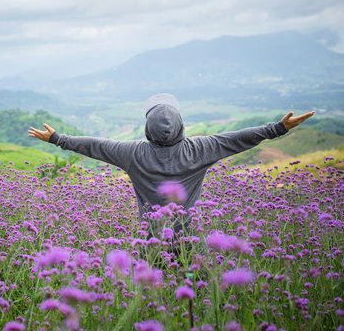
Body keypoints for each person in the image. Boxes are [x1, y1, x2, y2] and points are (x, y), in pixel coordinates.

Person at [28, 93, 314, 240]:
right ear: (180, 125)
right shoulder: (201, 149)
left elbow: (95, 145)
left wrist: (57, 138)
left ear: (147, 127)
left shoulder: (131, 153)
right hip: (189, 240)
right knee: (195, 297)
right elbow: (238, 139)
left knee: (151, 302)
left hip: (150, 242)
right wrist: (277, 128)